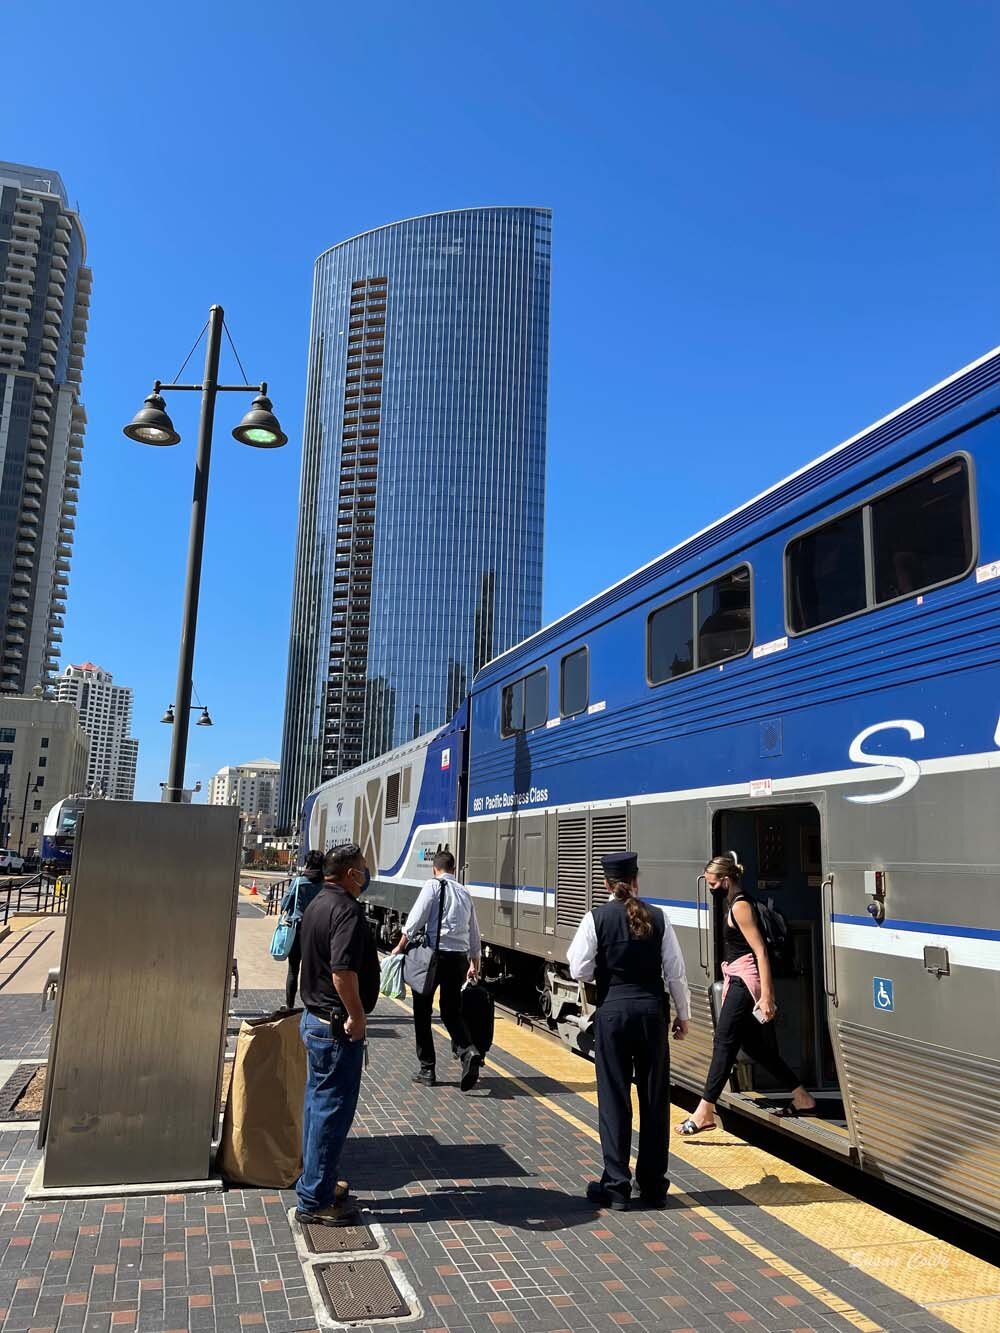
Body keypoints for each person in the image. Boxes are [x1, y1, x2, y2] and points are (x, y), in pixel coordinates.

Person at [568, 851, 690, 1211]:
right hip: (652, 1014)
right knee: (654, 1099)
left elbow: (578, 967)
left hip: (613, 1014)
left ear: (606, 883)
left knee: (614, 1099)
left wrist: (603, 974)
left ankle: (617, 1186)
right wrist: (683, 1015)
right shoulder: (658, 917)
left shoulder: (597, 918)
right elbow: (676, 973)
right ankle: (653, 1186)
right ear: (636, 880)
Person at [676, 851, 816, 1136]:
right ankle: (802, 1097)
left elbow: (760, 951)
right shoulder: (735, 902)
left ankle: (705, 1111)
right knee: (754, 1046)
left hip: (744, 980)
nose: (711, 889)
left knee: (724, 1043)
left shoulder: (740, 907)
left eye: (713, 884)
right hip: (738, 978)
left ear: (726, 881)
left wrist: (767, 995)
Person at [295, 842, 379, 1226]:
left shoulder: (317, 904)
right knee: (331, 1113)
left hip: (314, 1020)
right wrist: (357, 1016)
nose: (366, 874)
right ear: (349, 873)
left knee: (317, 1108)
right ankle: (315, 1201)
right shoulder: (345, 909)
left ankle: (319, 1183)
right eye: (362, 868)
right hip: (335, 1028)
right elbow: (342, 972)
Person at [390, 850, 483, 1091]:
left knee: (422, 1011)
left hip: (433, 959)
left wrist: (399, 947)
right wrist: (475, 963)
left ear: (435, 869)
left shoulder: (432, 886)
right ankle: (468, 1051)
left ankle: (427, 1069)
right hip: (459, 960)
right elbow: (474, 932)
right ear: (454, 868)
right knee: (451, 1012)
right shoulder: (464, 892)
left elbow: (415, 920)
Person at [280, 850, 325, 1010]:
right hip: (317, 933)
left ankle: (290, 1006)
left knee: (293, 969)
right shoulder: (325, 885)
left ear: (307, 863)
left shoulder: (298, 882)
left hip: (297, 930)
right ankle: (312, 1006)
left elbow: (284, 904)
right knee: (313, 971)